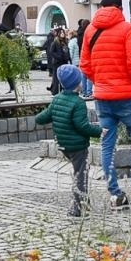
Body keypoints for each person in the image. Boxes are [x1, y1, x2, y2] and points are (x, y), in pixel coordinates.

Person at [82, 0, 131, 207]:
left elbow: (85, 65)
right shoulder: (126, 29)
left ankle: (115, 194)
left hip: (102, 97)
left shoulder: (90, 30)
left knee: (107, 145)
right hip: (126, 96)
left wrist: (101, 82)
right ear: (118, 8)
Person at [36, 64, 104, 217]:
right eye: (80, 80)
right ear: (76, 84)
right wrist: (100, 131)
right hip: (78, 146)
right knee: (81, 175)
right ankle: (78, 207)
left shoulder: (57, 100)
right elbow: (82, 126)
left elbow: (41, 118)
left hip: (64, 145)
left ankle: (83, 202)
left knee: (78, 173)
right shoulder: (78, 102)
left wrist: (46, 116)